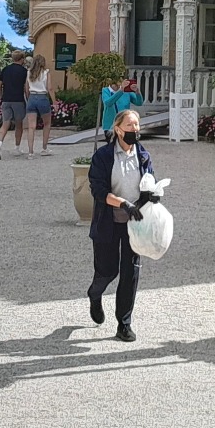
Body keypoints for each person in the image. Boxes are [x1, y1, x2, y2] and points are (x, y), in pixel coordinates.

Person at [86, 110, 157, 341]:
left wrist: (150, 197)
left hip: (134, 225)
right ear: (118, 129)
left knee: (130, 272)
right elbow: (98, 191)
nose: (135, 129)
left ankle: (124, 324)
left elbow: (150, 184)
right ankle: (94, 294)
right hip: (108, 221)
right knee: (107, 271)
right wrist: (123, 203)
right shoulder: (103, 157)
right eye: (129, 125)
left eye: (137, 125)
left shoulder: (143, 156)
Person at [0, 51, 31, 159]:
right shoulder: (24, 71)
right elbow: (26, 88)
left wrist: (0, 96)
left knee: (5, 123)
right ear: (22, 59)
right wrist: (28, 99)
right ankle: (17, 148)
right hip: (18, 100)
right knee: (19, 124)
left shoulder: (6, 69)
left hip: (6, 100)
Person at [24, 54, 54, 157]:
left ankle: (30, 152)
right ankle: (44, 148)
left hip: (32, 97)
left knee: (31, 127)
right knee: (47, 124)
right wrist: (54, 101)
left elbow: (26, 88)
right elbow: (50, 88)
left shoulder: (29, 72)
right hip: (42, 97)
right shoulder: (46, 73)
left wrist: (29, 98)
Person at [98, 72, 141, 142]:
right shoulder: (106, 91)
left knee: (126, 145)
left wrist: (137, 92)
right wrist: (121, 91)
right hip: (110, 125)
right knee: (112, 146)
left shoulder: (127, 91)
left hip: (125, 125)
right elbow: (108, 103)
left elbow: (139, 103)